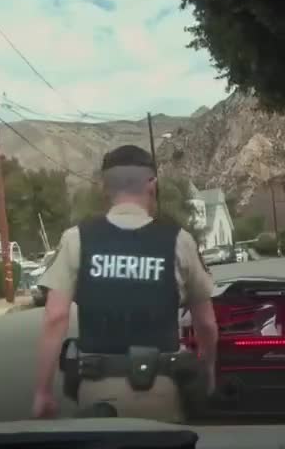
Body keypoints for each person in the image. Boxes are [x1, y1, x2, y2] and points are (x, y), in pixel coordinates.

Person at [32, 145, 218, 422]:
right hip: (163, 390)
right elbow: (206, 324)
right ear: (152, 185)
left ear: (104, 188)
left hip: (96, 390)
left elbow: (55, 316)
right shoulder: (179, 240)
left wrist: (43, 391)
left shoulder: (77, 239)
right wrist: (209, 371)